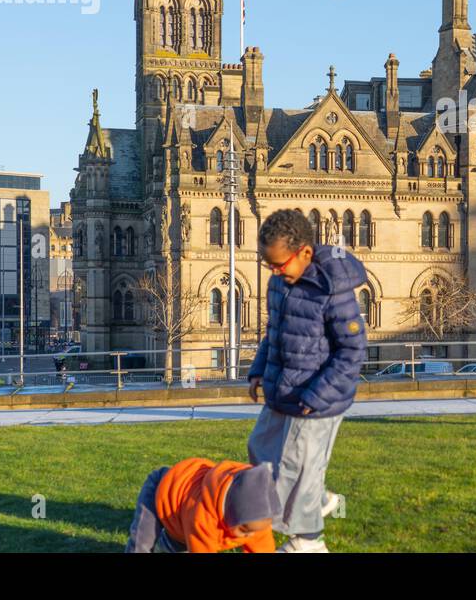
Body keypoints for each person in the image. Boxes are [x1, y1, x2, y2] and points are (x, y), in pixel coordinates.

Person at [248, 209, 368, 553]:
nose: (273, 272)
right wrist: (258, 369)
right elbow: (274, 334)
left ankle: (308, 543)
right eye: (268, 265)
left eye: (279, 265)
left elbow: (352, 349)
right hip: (283, 388)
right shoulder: (279, 283)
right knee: (261, 450)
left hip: (319, 399)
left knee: (295, 469)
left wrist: (317, 394)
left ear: (304, 253)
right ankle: (318, 500)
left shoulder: (333, 290)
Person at [125, 458, 276, 553]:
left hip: (182, 520)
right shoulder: (203, 519)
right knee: (142, 541)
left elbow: (263, 548)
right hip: (161, 491)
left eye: (253, 532)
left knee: (180, 542)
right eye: (244, 529)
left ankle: (167, 544)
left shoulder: (256, 521)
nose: (249, 536)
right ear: (229, 512)